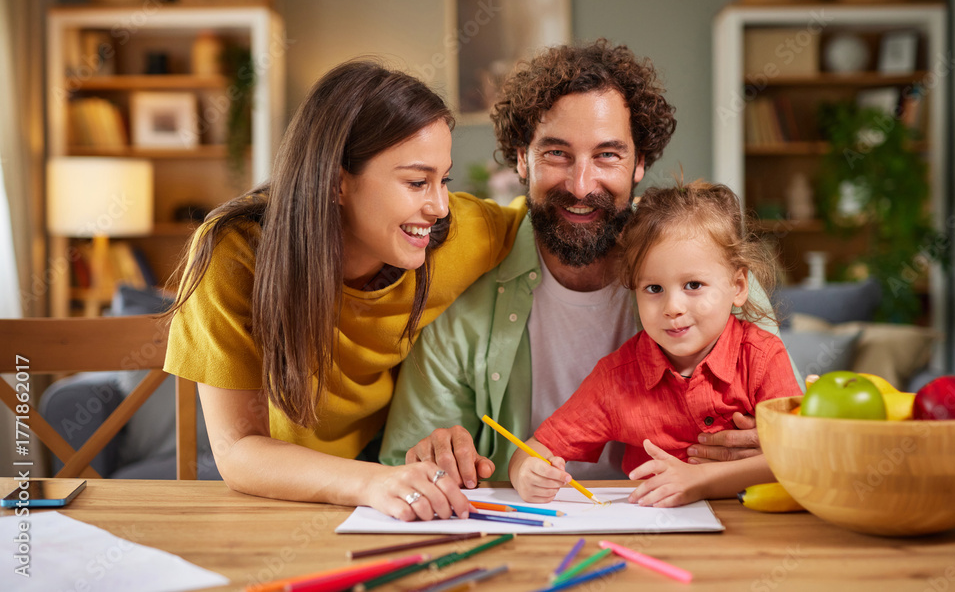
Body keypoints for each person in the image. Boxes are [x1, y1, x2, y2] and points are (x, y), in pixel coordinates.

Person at [380, 40, 801, 485]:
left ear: (640, 163)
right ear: (522, 160)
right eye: (557, 153)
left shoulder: (710, 267)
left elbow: (794, 424)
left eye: (607, 155)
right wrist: (434, 456)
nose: (581, 186)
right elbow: (404, 467)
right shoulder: (463, 284)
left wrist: (775, 443)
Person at [163, 60, 525, 521]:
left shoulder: (455, 233)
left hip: (392, 482)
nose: (438, 205)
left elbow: (555, 224)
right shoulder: (232, 255)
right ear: (336, 181)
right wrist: (373, 482)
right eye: (417, 182)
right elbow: (238, 450)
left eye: (444, 180)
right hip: (292, 496)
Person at [509, 182, 803, 506]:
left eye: (693, 285)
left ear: (738, 286)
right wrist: (527, 473)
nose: (672, 307)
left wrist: (700, 481)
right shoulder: (617, 378)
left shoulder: (762, 357)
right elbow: (536, 449)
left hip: (753, 533)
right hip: (655, 531)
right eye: (653, 288)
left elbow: (801, 457)